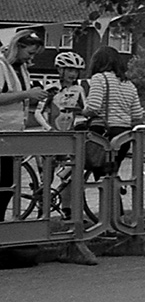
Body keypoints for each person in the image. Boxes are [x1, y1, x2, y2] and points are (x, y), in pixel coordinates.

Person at [0, 30, 48, 219]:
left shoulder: (22, 68)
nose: (31, 58)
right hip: (3, 130)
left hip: (14, 132)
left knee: (9, 183)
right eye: (30, 53)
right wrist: (27, 94)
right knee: (5, 182)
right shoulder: (1, 66)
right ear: (18, 47)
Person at [81, 46, 145, 177]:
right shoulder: (129, 84)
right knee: (112, 174)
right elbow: (137, 115)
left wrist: (83, 111)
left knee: (98, 172)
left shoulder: (99, 78)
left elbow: (93, 107)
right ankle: (115, 195)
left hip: (104, 135)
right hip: (124, 136)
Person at [44, 51, 88, 132]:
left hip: (70, 132)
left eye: (76, 71)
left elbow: (86, 110)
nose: (73, 74)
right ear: (60, 70)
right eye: (70, 70)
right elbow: (38, 112)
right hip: (52, 133)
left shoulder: (79, 89)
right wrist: (49, 129)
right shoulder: (51, 88)